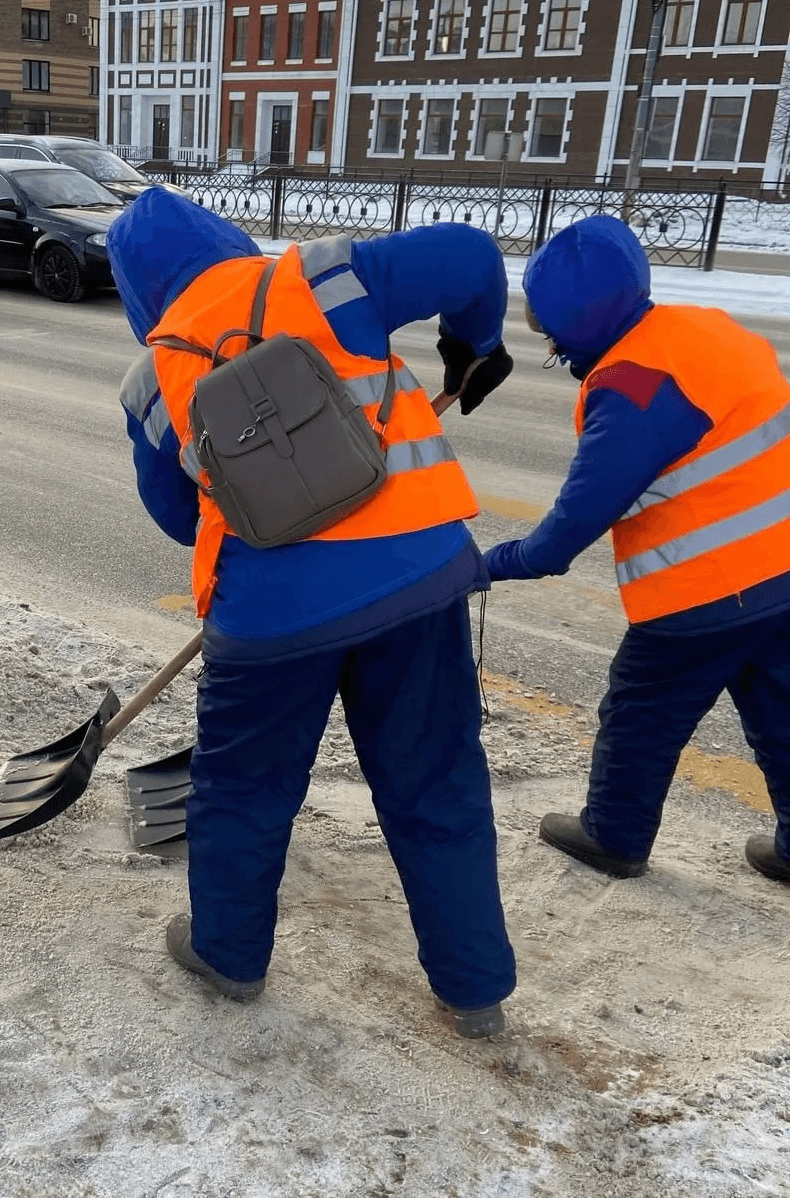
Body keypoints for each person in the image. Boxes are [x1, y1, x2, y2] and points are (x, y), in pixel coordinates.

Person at [107, 189, 517, 1038]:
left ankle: (228, 955)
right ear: (228, 237)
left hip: (269, 621)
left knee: (244, 790)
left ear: (137, 295)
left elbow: (180, 515)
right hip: (414, 580)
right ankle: (474, 990)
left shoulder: (152, 379)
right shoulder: (328, 276)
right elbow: (475, 257)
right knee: (435, 782)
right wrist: (471, 345)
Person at [483, 214, 790, 885]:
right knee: (780, 711)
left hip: (705, 593)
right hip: (782, 569)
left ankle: (614, 836)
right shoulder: (704, 328)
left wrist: (486, 566)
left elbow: (566, 533)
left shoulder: (634, 389)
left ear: (569, 327)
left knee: (641, 713)